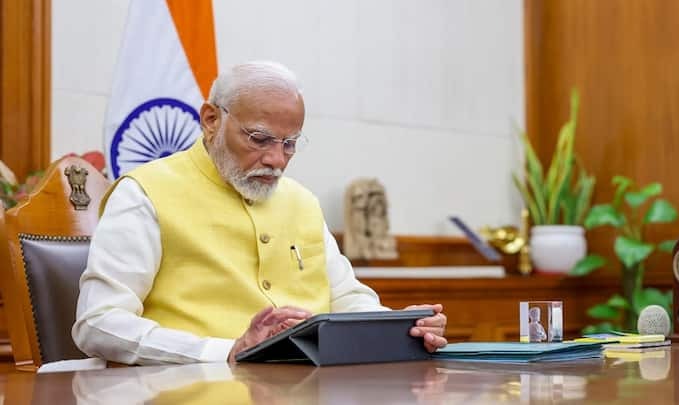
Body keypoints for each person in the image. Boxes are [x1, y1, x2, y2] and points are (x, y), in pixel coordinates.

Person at [72, 61, 447, 365]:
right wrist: (224, 352)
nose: (277, 160)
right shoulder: (145, 193)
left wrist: (400, 327)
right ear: (211, 120)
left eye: (290, 144)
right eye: (259, 139)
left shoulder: (301, 201)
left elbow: (347, 299)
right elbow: (99, 323)